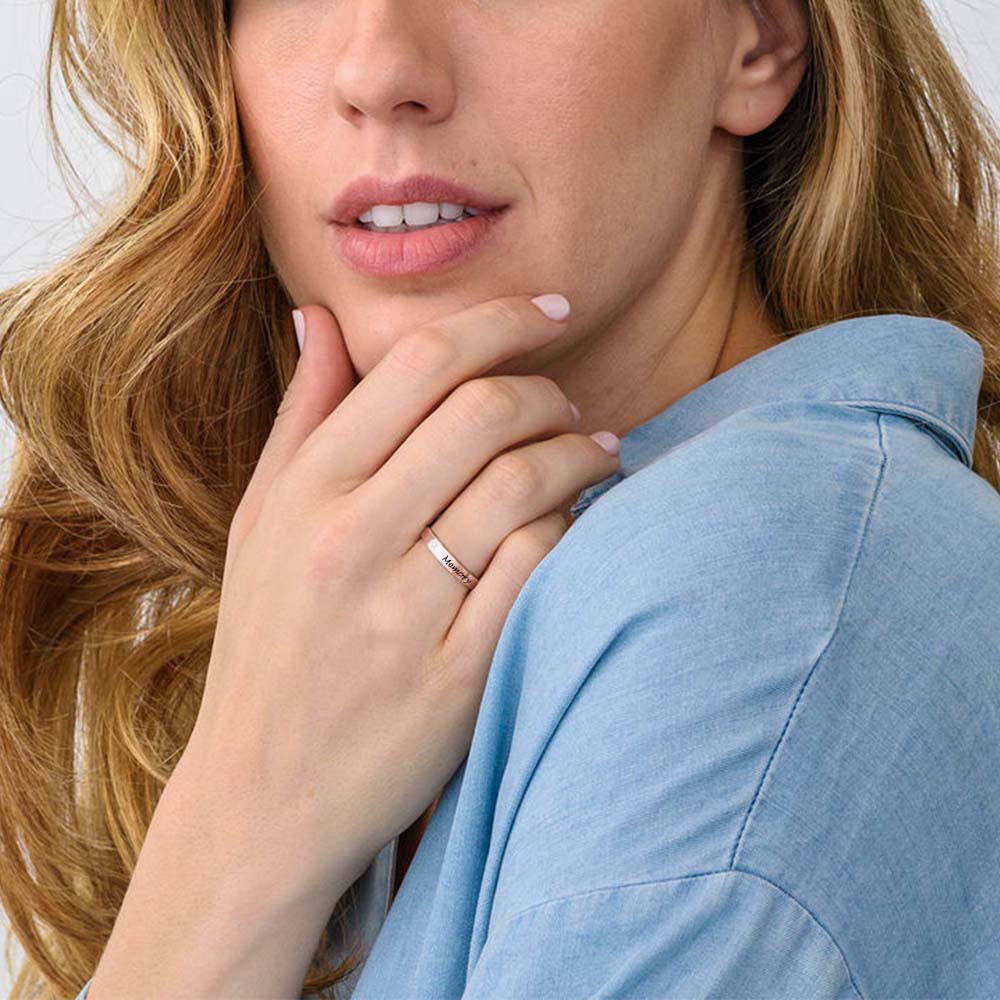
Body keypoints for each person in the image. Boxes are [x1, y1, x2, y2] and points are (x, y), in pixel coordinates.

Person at [1, 0, 999, 997]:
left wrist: (232, 848)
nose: (380, 67)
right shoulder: (355, 633)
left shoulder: (750, 604)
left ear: (760, 37)